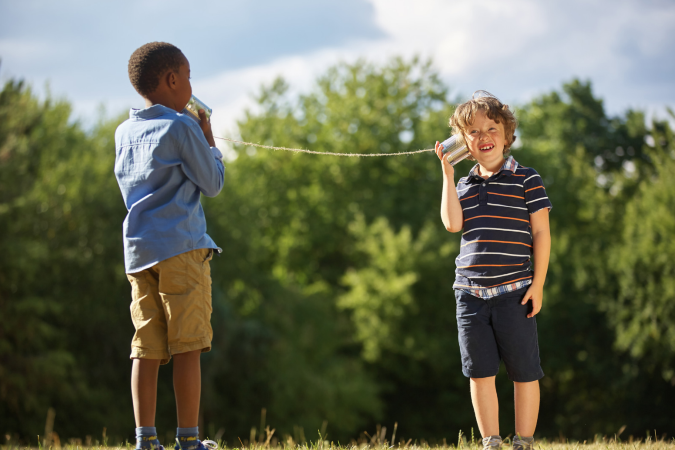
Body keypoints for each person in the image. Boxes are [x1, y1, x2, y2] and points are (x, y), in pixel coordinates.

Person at [114, 42, 225, 450]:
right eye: (189, 76)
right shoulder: (182, 127)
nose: (191, 84)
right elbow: (212, 184)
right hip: (181, 248)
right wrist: (209, 141)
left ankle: (145, 441)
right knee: (188, 345)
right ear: (173, 80)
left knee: (145, 346)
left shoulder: (123, 131)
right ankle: (189, 441)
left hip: (139, 253)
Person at [435, 91, 551, 450]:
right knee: (480, 372)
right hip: (470, 295)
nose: (484, 136)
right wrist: (447, 173)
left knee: (523, 372)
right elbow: (452, 224)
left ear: (507, 133)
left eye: (491, 127)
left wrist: (539, 284)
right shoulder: (464, 185)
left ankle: (524, 441)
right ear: (463, 142)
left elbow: (541, 233)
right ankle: (491, 442)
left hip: (515, 291)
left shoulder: (527, 179)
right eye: (473, 131)